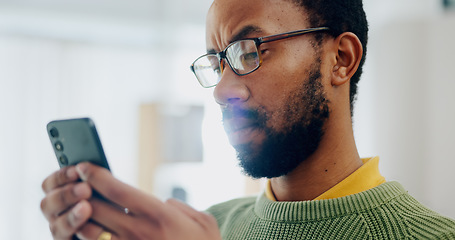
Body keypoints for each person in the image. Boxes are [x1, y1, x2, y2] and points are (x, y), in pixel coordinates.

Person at [40, 0, 455, 239]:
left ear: (340, 60)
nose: (222, 91)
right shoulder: (210, 226)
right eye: (218, 61)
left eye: (249, 50)